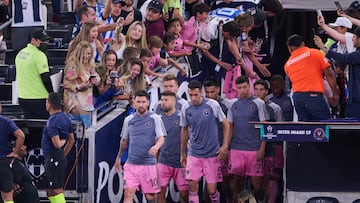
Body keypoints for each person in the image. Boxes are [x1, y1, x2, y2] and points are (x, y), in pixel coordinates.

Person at [180, 79, 230, 203]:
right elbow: (184, 130)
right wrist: (182, 153)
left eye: (196, 95)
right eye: (190, 95)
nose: (193, 98)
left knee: (211, 190)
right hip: (194, 153)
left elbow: (226, 124)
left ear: (201, 92)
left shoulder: (213, 105)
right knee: (192, 186)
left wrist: (225, 146)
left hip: (211, 154)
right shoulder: (186, 108)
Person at [114, 90, 166, 203]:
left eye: (143, 102)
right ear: (134, 103)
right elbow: (124, 141)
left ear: (148, 102)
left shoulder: (155, 118)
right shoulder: (128, 120)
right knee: (128, 194)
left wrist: (156, 146)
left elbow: (161, 137)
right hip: (132, 164)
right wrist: (118, 157)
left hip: (149, 164)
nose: (141, 105)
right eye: (138, 102)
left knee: (150, 197)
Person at [227, 76, 268, 202]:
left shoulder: (259, 103)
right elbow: (230, 126)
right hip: (236, 148)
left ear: (249, 87)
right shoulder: (232, 103)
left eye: (245, 87)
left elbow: (264, 127)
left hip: (254, 149)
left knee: (257, 185)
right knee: (237, 183)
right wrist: (226, 147)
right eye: (239, 88)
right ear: (236, 88)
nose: (242, 90)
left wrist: (262, 148)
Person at [284, 34, 338, 121]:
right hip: (314, 96)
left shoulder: (287, 64)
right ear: (303, 44)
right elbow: (330, 75)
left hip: (297, 98)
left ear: (289, 48)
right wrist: (334, 94)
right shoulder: (315, 53)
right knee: (324, 127)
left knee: (306, 130)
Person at [41, 92, 75, 203]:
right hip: (57, 158)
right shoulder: (66, 118)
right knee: (50, 190)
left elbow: (57, 144)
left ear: (49, 104)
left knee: (56, 189)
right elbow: (72, 139)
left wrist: (62, 144)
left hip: (53, 158)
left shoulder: (52, 121)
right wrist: (63, 155)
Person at [253, 79, 283, 203]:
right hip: (252, 149)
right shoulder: (249, 106)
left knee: (269, 180)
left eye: (261, 90)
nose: (258, 92)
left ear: (266, 91)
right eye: (256, 89)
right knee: (255, 183)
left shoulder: (274, 108)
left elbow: (280, 130)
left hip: (270, 149)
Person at [203, 77, 232, 203]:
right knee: (209, 185)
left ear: (218, 90)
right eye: (207, 92)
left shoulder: (226, 105)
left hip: (223, 149)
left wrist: (226, 147)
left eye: (212, 92)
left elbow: (231, 127)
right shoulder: (202, 104)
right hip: (207, 152)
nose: (209, 95)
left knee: (226, 183)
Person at [157, 91, 189, 203]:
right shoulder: (158, 119)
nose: (163, 103)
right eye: (162, 100)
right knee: (159, 193)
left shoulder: (183, 118)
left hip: (180, 163)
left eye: (166, 100)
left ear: (174, 102)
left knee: (184, 195)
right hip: (163, 161)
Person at [15, 29, 53, 119]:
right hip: (39, 98)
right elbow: (45, 78)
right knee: (42, 128)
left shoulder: (20, 53)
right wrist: (51, 93)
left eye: (46, 40)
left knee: (31, 128)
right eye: (42, 41)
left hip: (23, 97)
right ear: (33, 40)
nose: (45, 43)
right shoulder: (39, 55)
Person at [63, 41, 101, 128]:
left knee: (89, 129)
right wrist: (79, 86)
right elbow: (66, 83)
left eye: (90, 53)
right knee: (85, 128)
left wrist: (95, 80)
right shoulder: (73, 66)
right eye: (87, 53)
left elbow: (97, 77)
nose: (89, 56)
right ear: (81, 53)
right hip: (75, 103)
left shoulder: (89, 65)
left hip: (87, 101)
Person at [325, 27, 360, 118]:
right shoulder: (356, 52)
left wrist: (326, 49)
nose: (352, 39)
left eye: (355, 37)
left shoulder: (357, 54)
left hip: (357, 99)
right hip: (353, 98)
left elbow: (345, 58)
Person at [0, 101, 26, 203]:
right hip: (3, 163)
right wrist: (15, 152)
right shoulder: (5, 121)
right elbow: (21, 135)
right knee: (8, 198)